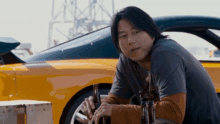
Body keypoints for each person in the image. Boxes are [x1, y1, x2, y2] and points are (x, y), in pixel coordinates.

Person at [80, 6, 220, 124]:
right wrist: (99, 107)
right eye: (123, 36)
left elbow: (173, 111)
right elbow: (117, 100)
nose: (130, 41)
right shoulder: (127, 60)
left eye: (136, 32)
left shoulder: (164, 53)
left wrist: (114, 111)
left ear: (152, 33)